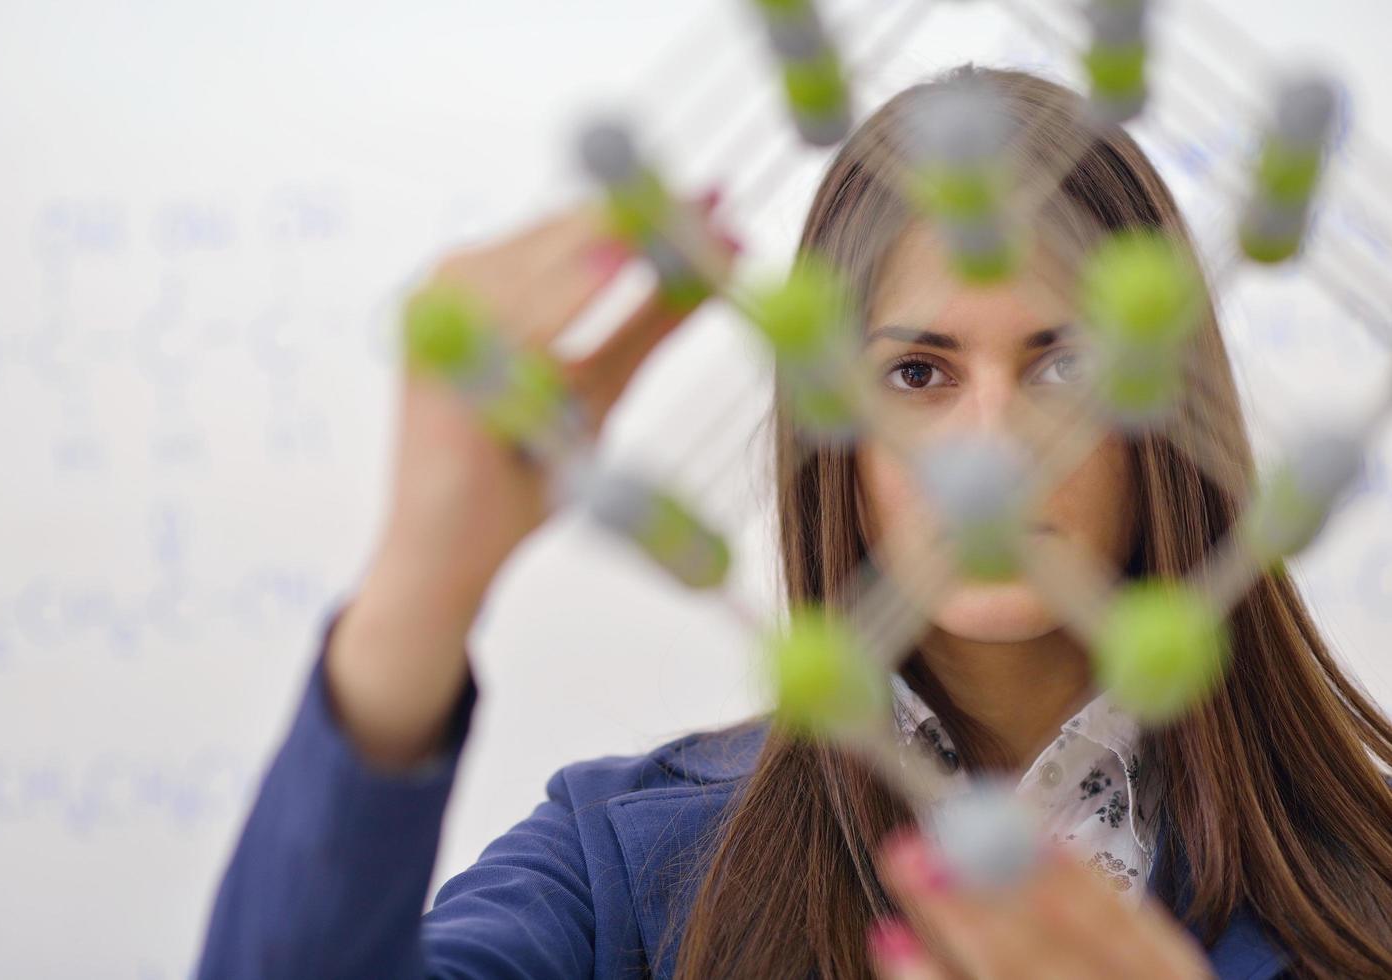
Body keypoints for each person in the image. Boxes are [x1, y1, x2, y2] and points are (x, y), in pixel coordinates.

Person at [195, 66, 1392, 979]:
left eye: (1063, 367)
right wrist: (422, 580)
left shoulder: (1368, 865)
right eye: (917, 374)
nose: (991, 449)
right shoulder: (618, 865)